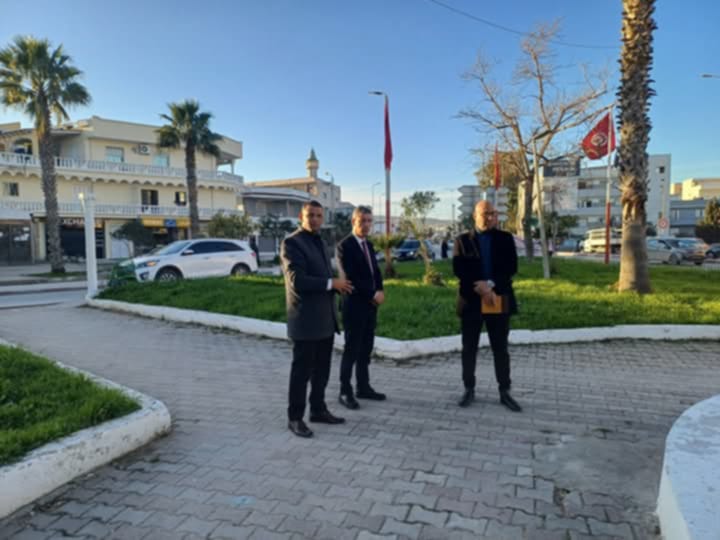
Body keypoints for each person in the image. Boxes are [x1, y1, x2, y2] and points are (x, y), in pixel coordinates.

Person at [280, 200, 354, 438]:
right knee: (301, 373)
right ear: (301, 217)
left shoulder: (320, 241)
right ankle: (295, 418)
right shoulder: (292, 243)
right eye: (310, 215)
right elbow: (297, 280)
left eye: (319, 215)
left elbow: (324, 276)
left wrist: (337, 286)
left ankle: (318, 409)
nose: (314, 219)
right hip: (305, 320)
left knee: (322, 370)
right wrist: (332, 283)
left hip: (325, 319)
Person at [453, 200, 522, 412]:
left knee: (500, 348)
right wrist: (481, 288)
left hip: (497, 298)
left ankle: (504, 390)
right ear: (475, 216)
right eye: (485, 214)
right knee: (469, 348)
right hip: (472, 300)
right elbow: (459, 270)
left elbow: (511, 267)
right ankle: (469, 388)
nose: (490, 217)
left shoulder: (505, 238)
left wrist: (490, 286)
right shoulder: (462, 240)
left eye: (493, 213)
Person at [336, 206, 386, 410]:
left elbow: (375, 273)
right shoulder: (344, 246)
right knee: (352, 350)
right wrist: (372, 294)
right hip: (354, 305)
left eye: (369, 221)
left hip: (370, 306)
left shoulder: (369, 245)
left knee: (366, 349)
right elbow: (351, 277)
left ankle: (363, 387)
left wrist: (380, 290)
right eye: (362, 221)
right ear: (353, 221)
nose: (366, 225)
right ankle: (344, 391)